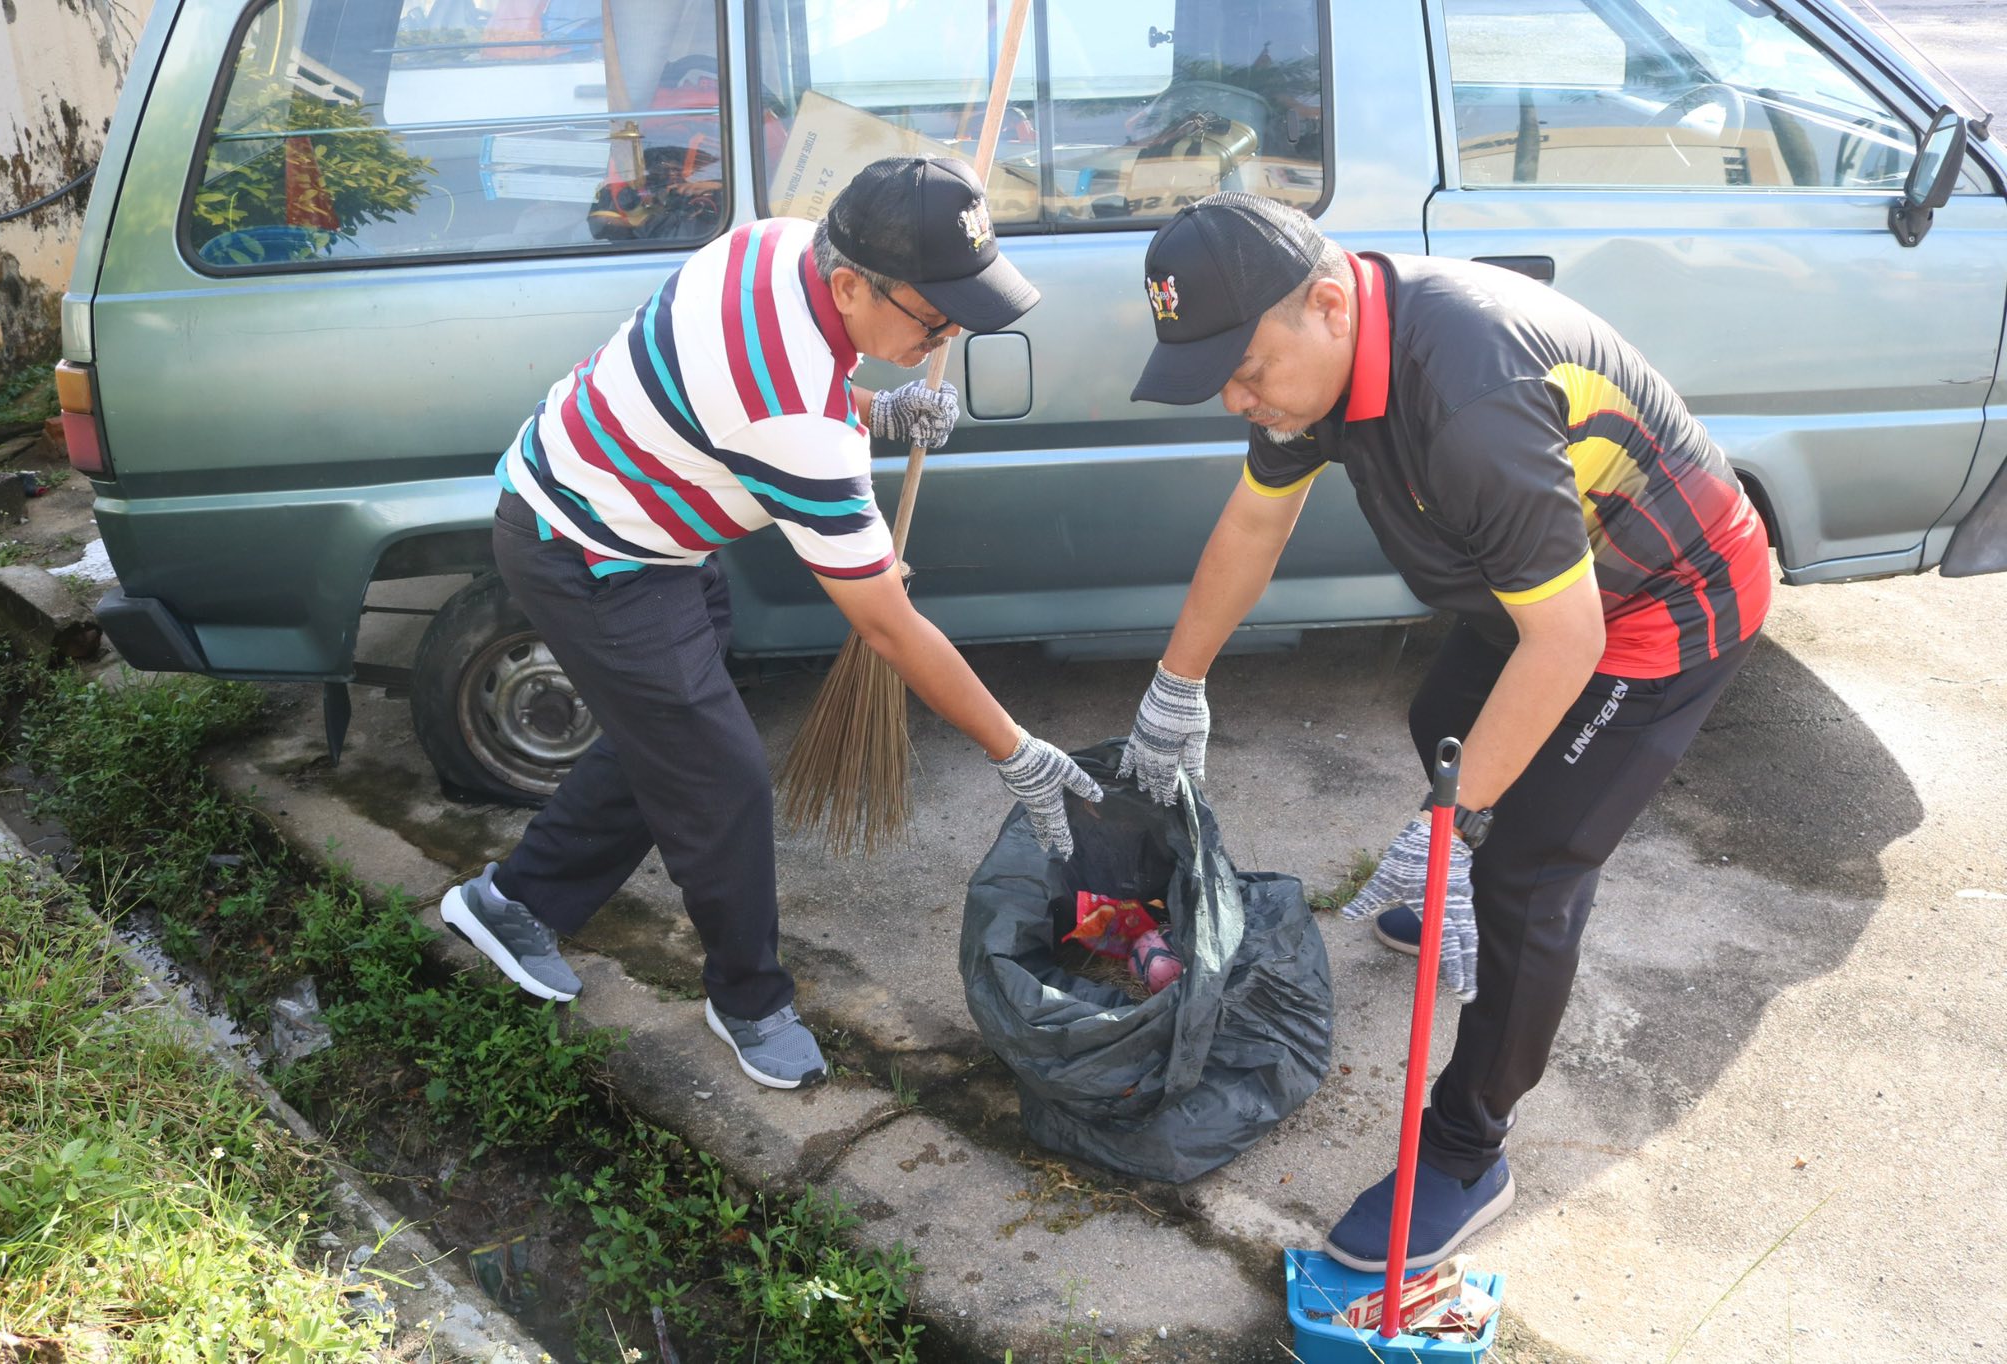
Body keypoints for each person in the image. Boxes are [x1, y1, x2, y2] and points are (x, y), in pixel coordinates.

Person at [1119, 193, 1770, 1270]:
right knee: (1441, 720)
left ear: (1328, 306)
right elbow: (1254, 521)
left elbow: (1566, 641)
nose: (1236, 399)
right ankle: (1452, 885)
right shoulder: (1316, 363)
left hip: (1657, 608)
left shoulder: (1469, 393)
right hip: (1537, 592)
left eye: (1244, 370)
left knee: (1530, 869)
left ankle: (1468, 1152)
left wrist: (1454, 824)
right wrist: (1173, 685)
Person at [442, 157, 1101, 1092]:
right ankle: (748, 998)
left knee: (666, 737)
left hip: (635, 514)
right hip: (591, 554)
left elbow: (783, 387)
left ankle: (514, 902)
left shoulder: (776, 246)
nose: (949, 335)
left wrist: (878, 407)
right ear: (851, 284)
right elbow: (887, 625)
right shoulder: (793, 422)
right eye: (935, 317)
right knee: (722, 781)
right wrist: (1016, 750)